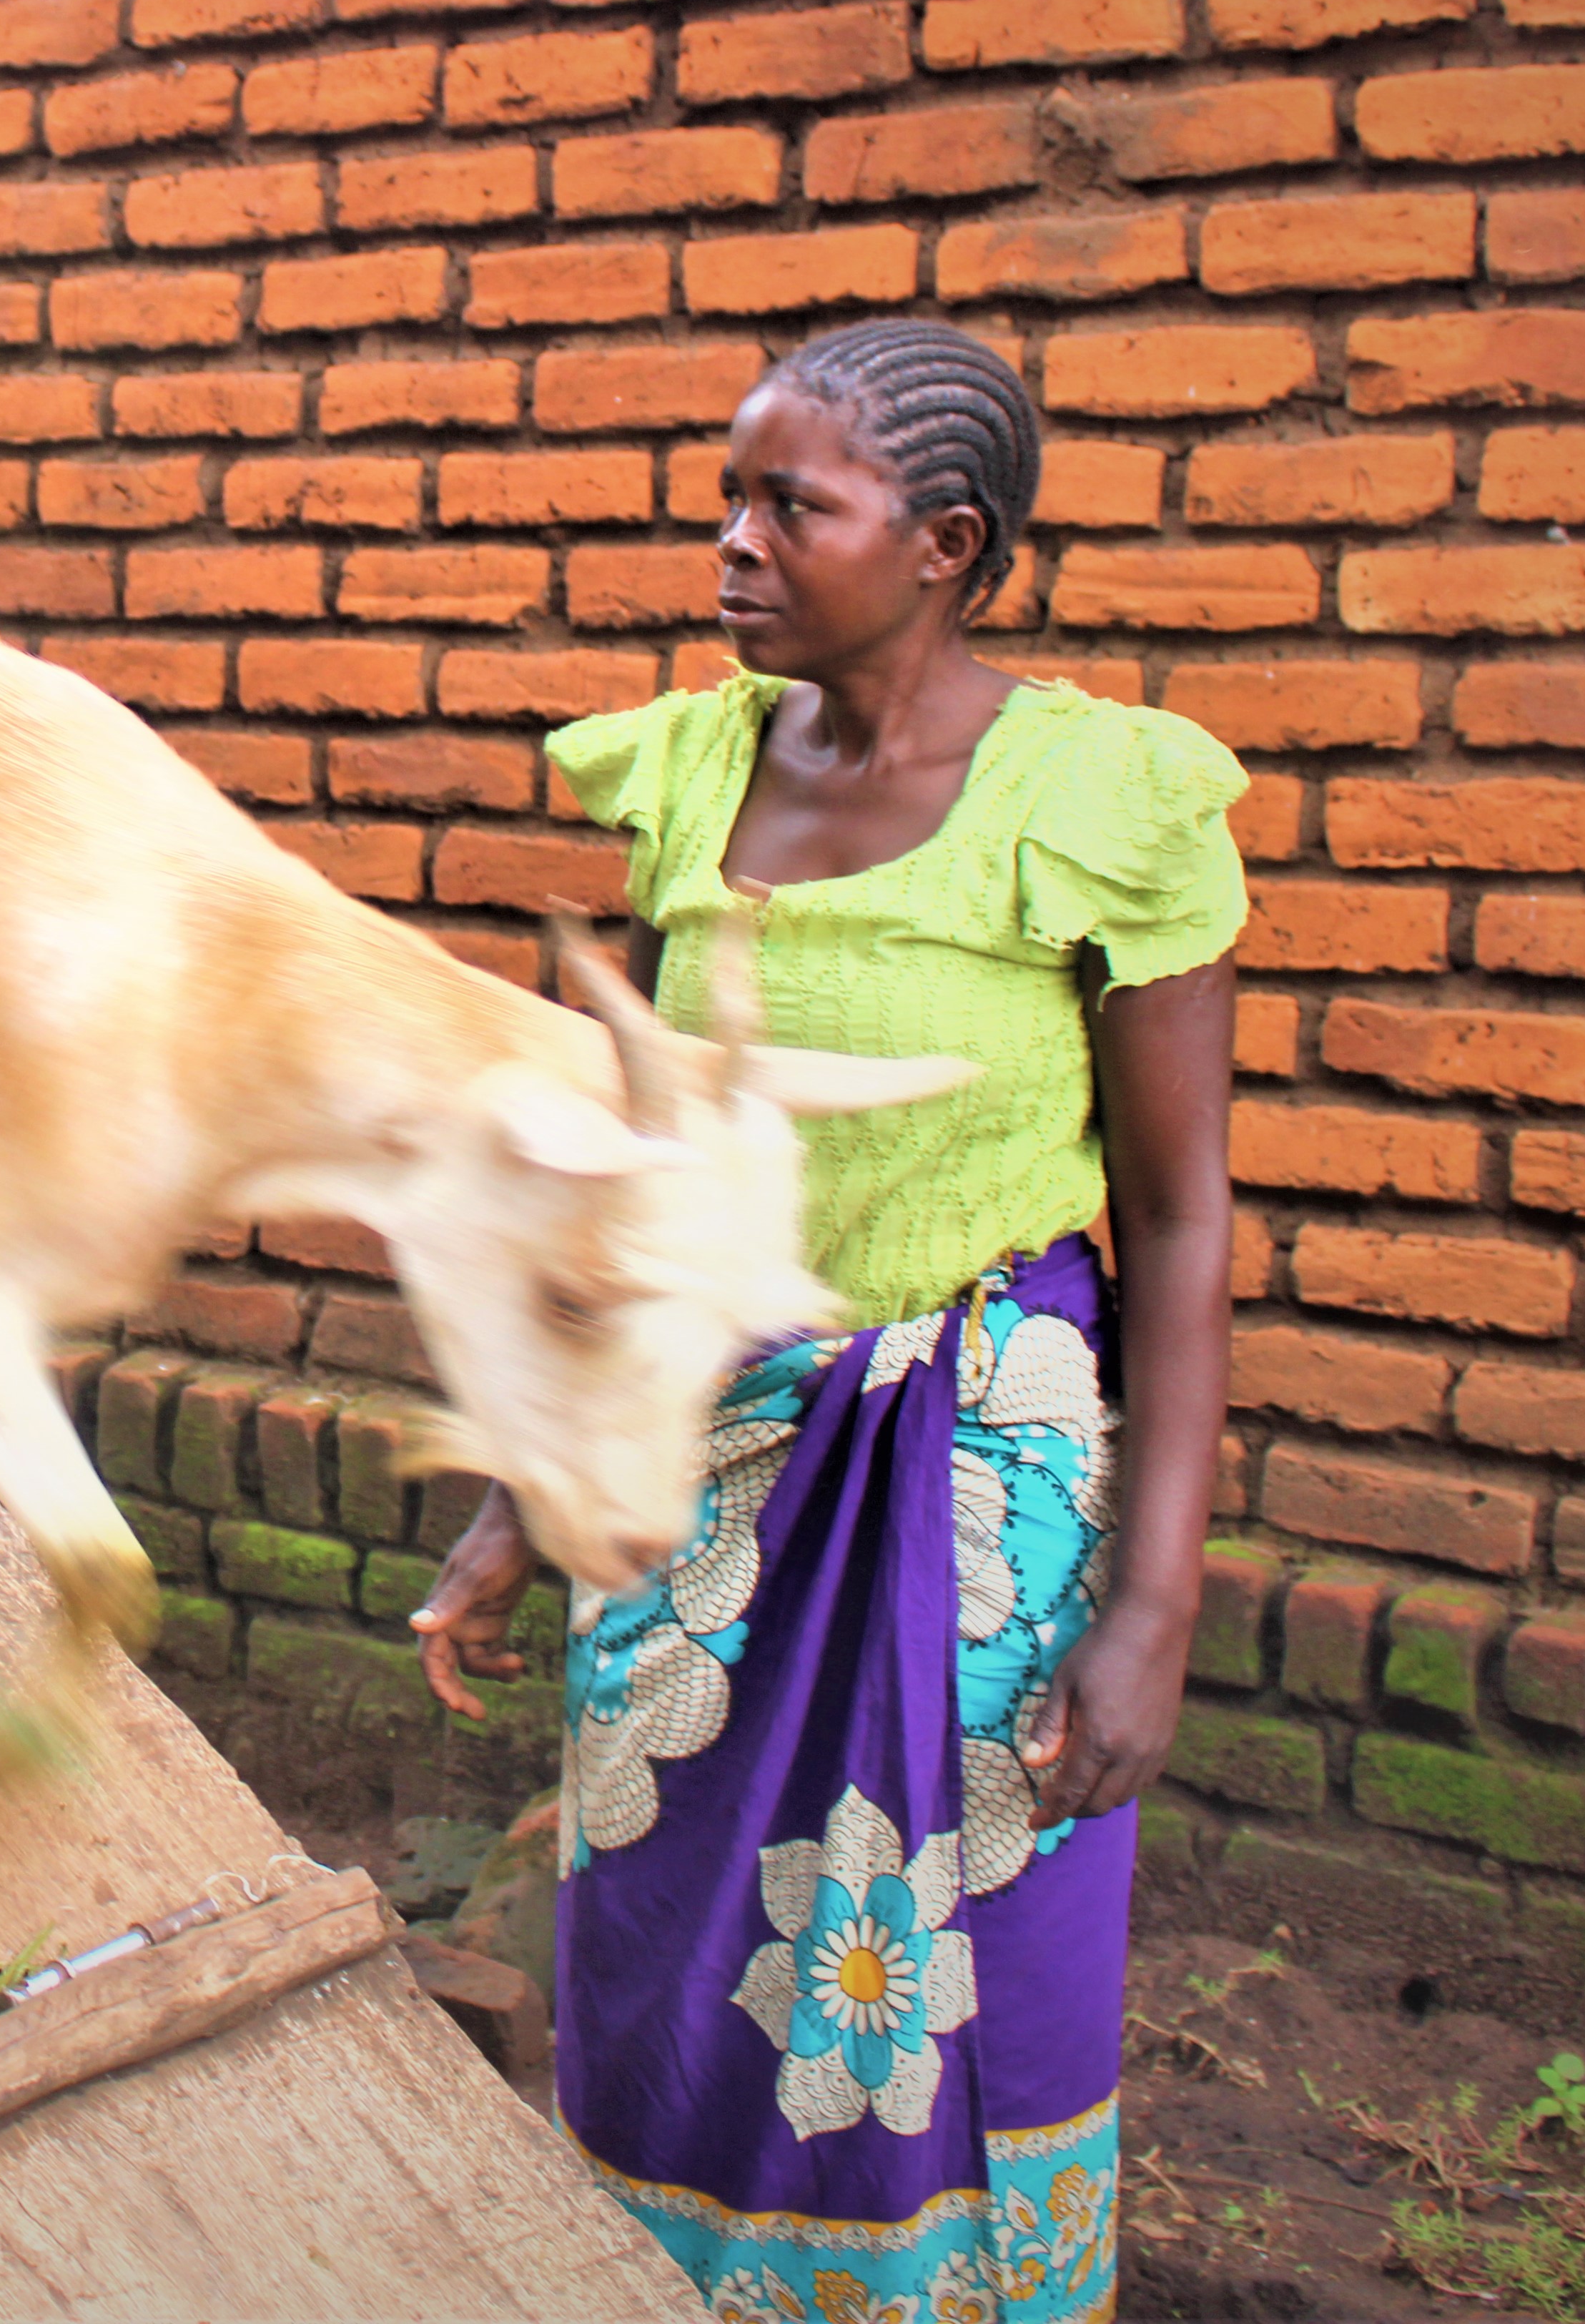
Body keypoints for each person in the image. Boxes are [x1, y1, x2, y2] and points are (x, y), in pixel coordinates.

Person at [412, 320, 1240, 2324]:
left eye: (794, 505)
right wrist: (531, 1482)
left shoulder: (1102, 798)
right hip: (704, 1478)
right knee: (669, 1944)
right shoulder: (696, 772)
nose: (735, 544)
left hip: (986, 1493)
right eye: (731, 496)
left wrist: (1151, 1610)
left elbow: (1183, 1219)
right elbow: (636, 1167)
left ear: (948, 543)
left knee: (967, 1967)